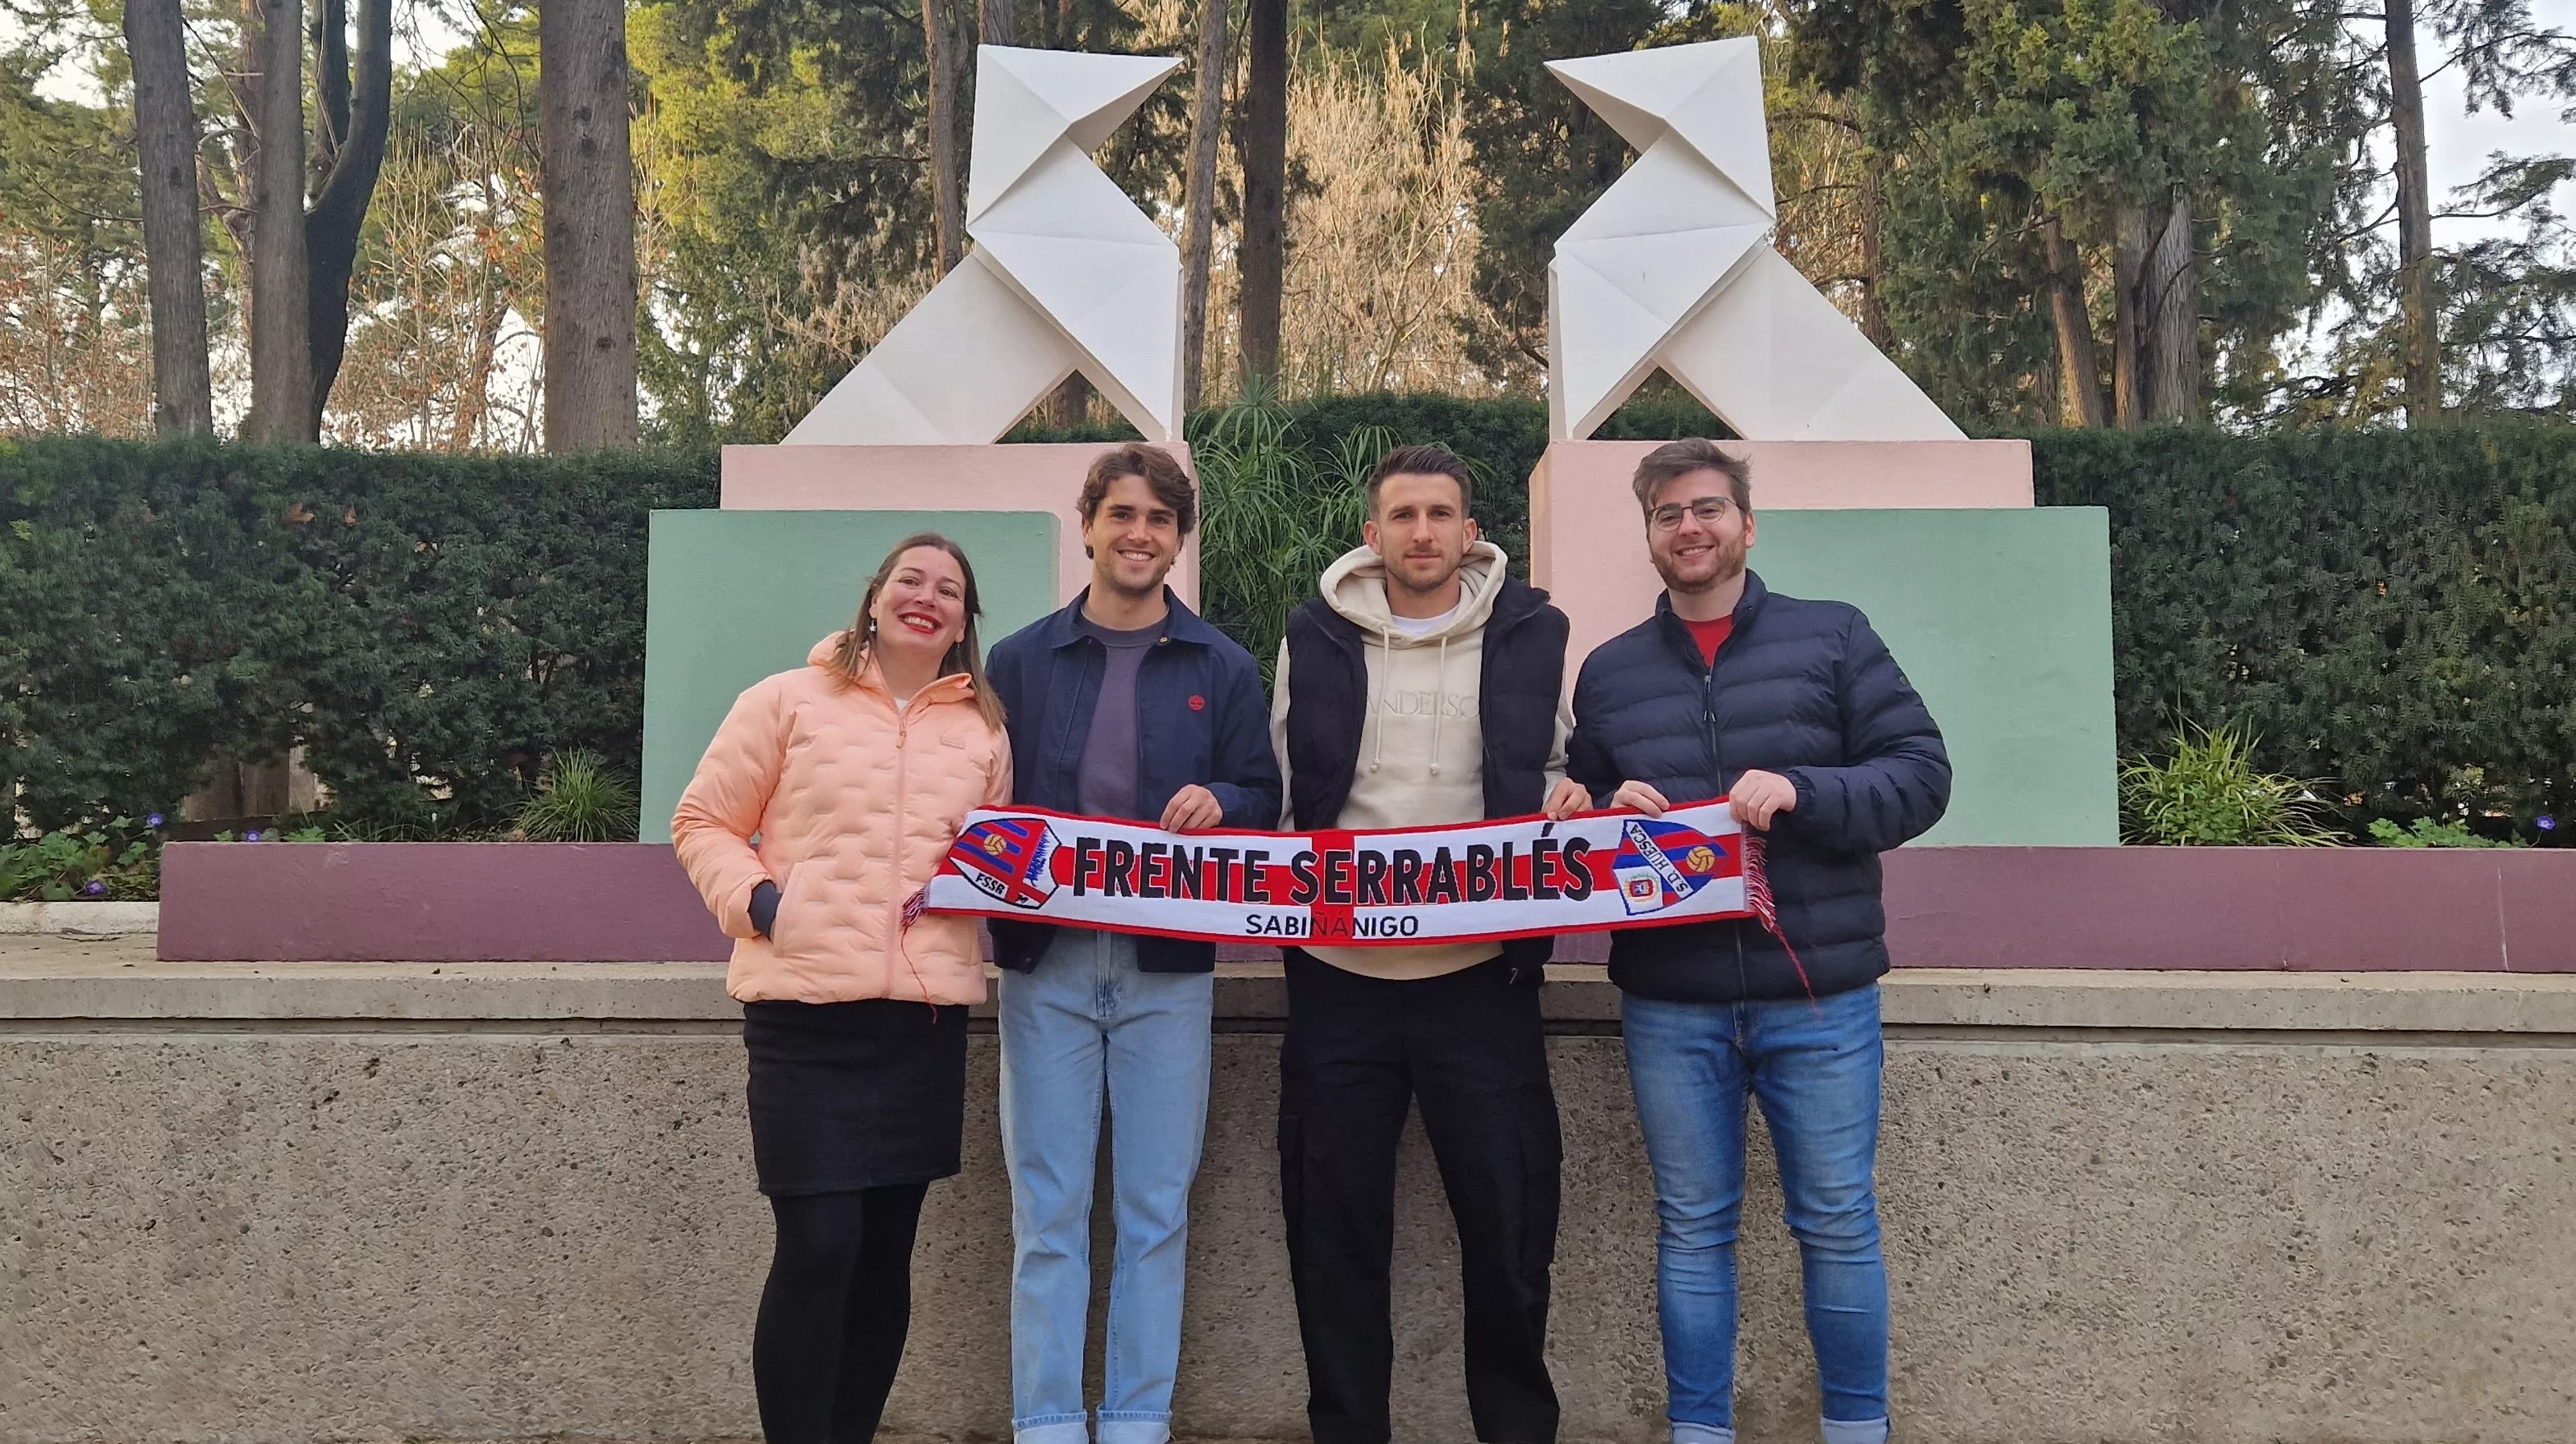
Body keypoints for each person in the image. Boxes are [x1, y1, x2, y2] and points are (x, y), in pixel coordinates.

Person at [1544, 439, 1950, 1444]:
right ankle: (1699, 1432)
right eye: (1668, 513)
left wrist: (1806, 791)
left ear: (1746, 524)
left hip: (1818, 997)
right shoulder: (1607, 672)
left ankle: (1857, 1430)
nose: (1690, 527)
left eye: (1708, 509)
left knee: (1837, 1224)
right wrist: (1599, 806)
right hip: (1671, 1002)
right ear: (1647, 535)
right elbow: (1586, 810)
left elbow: (1920, 775)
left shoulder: (1832, 636)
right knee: (1692, 1230)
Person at [670, 533, 1014, 1444]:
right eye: (911, 579)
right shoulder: (784, 700)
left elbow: (996, 861)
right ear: (875, 597)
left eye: (948, 590)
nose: (926, 597)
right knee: (819, 1247)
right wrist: (763, 904)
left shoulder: (983, 732)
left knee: (881, 1259)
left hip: (921, 1023)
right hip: (803, 1017)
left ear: (961, 624)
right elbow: (702, 820)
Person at [1268, 443, 1574, 1444]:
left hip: (1482, 980)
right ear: (1372, 534)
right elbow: (1277, 790)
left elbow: (1574, 762)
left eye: (1440, 514)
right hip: (1337, 982)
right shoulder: (1310, 635)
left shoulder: (1535, 632)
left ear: (1470, 531)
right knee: (1335, 1238)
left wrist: (1577, 793)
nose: (1422, 533)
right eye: (1402, 515)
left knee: (1507, 1235)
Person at [982, 443, 1282, 1444]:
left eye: (1157, 519)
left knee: (1156, 1211)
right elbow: (976, 798)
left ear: (1177, 538)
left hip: (1167, 971)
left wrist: (1225, 802)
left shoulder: (1223, 664)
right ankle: (1049, 1424)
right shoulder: (1019, 661)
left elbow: (1265, 798)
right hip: (1046, 967)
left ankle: (1139, 1422)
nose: (1138, 533)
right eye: (1121, 514)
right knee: (1049, 1215)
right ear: (1090, 524)